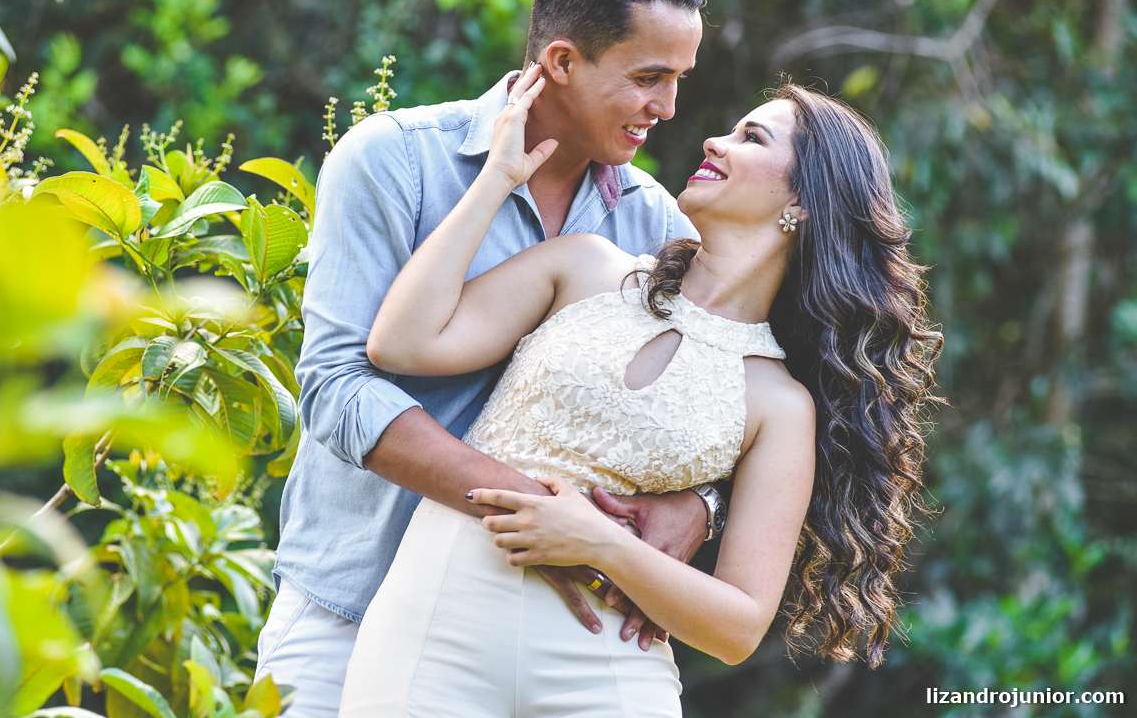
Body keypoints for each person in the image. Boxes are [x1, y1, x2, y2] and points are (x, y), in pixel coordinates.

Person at [337, 65, 943, 715]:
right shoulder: (585, 265)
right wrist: (496, 181)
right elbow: (400, 343)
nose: (715, 141)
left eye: (752, 138)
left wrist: (599, 542)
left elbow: (738, 626)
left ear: (802, 205)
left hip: (605, 672)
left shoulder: (778, 404)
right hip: (435, 625)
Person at [257, 0, 716, 714]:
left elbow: (711, 409)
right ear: (563, 63)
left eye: (678, 79)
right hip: (349, 612)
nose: (668, 108)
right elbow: (336, 387)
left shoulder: (657, 227)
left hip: (553, 637)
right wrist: (530, 508)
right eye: (648, 77)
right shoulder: (390, 162)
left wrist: (702, 506)